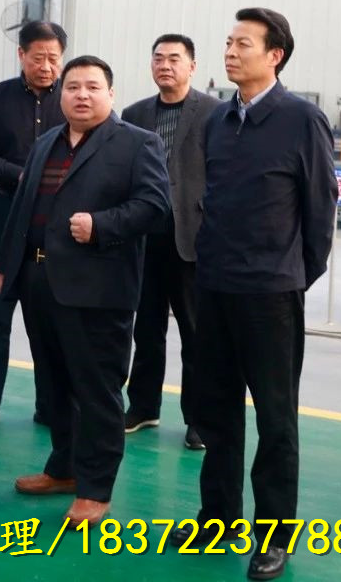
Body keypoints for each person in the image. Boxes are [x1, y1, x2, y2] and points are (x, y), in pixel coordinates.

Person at [177, 8, 337, 581]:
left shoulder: (302, 120)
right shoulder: (218, 120)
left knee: (275, 419)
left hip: (271, 295)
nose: (230, 51)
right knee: (215, 412)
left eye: (243, 43)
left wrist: (291, 274)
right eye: (228, 42)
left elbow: (320, 210)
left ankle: (274, 535)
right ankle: (218, 517)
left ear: (275, 55)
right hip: (215, 287)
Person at [0, 55, 170, 528]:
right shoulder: (47, 142)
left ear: (110, 94)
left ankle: (95, 489)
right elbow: (22, 207)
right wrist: (8, 265)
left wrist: (101, 225)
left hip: (99, 289)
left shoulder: (137, 143)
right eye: (73, 87)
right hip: (40, 282)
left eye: (93, 87)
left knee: (96, 391)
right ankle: (64, 468)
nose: (82, 95)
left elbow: (155, 206)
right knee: (53, 386)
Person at [0, 20, 67, 432]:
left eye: (53, 58)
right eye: (38, 57)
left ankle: (51, 405)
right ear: (21, 55)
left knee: (50, 319)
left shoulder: (72, 98)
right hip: (4, 215)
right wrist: (20, 176)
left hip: (54, 222)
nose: (46, 66)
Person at [120, 33, 219, 449]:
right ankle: (143, 407)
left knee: (197, 335)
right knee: (146, 329)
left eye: (174, 59)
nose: (165, 65)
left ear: (191, 66)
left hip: (192, 238)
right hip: (145, 238)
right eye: (158, 58)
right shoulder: (134, 113)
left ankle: (199, 419)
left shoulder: (214, 113)